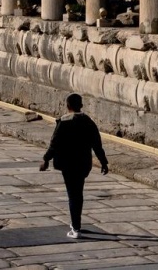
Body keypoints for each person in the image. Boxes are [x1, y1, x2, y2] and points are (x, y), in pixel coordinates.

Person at [40, 93, 109, 239]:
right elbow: (97, 145)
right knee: (78, 193)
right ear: (81, 105)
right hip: (83, 164)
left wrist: (46, 160)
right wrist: (103, 162)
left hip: (67, 164)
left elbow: (54, 144)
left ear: (67, 106)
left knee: (73, 195)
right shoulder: (89, 122)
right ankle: (76, 223)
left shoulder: (63, 122)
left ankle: (76, 228)